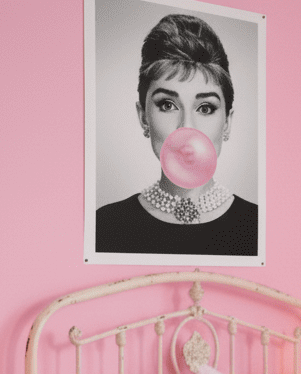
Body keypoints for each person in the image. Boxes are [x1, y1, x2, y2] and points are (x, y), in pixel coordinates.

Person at [96, 13, 257, 256]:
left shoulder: (258, 226)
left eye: (205, 108)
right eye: (168, 105)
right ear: (143, 116)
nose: (186, 128)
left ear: (227, 123)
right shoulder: (105, 226)